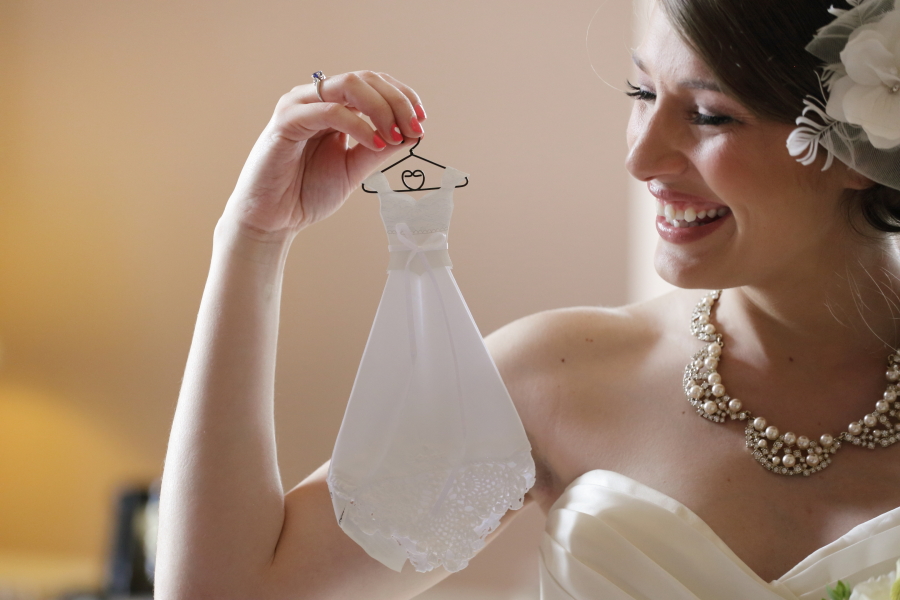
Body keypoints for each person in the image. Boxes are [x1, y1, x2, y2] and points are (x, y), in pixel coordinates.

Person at [155, 0, 900, 597]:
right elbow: (228, 591)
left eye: (710, 115)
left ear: (862, 146)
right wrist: (252, 238)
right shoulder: (555, 378)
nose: (640, 158)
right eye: (642, 93)